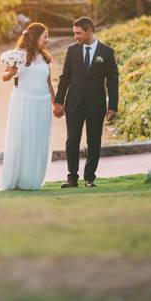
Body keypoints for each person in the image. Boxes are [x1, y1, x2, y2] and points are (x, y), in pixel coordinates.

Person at [54, 16, 119, 188]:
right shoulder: (72, 51)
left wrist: (113, 105)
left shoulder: (106, 52)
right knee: (72, 139)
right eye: (74, 33)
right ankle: (72, 178)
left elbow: (113, 80)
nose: (75, 36)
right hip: (74, 103)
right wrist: (59, 102)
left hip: (96, 104)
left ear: (89, 31)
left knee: (94, 141)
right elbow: (65, 78)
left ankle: (90, 178)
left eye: (78, 33)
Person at [0, 22, 55, 191]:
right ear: (36, 38)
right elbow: (4, 77)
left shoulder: (46, 58)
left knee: (38, 142)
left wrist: (56, 103)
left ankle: (32, 180)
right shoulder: (18, 56)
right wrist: (11, 72)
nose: (48, 40)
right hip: (23, 103)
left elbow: (49, 83)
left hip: (42, 104)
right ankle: (17, 179)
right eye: (45, 36)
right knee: (22, 140)